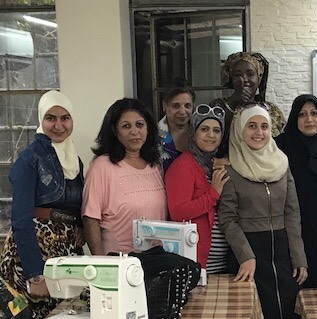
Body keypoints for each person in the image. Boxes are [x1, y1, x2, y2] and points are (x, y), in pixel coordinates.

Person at [218, 104, 307, 319]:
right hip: (250, 255)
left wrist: (298, 255)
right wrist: (246, 256)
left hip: (281, 250)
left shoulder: (282, 163)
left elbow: (292, 212)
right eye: (251, 126)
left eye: (264, 126)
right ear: (239, 131)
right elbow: (228, 219)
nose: (258, 132)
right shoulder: (230, 169)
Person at [0, 90, 84, 319]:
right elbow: (20, 220)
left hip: (64, 251)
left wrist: (80, 226)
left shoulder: (74, 160)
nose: (58, 125)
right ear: (41, 120)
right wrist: (34, 273)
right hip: (35, 253)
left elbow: (75, 204)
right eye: (50, 118)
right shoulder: (30, 159)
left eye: (65, 118)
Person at [82, 98, 167, 255]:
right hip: (118, 261)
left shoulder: (155, 165)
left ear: (148, 128)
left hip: (156, 260)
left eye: (139, 124)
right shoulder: (102, 166)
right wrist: (101, 262)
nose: (134, 131)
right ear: (115, 131)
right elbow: (90, 218)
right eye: (126, 126)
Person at [276, 94, 317, 288]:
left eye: (314, 113)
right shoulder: (279, 148)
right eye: (302, 114)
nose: (309, 119)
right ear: (294, 118)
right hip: (295, 233)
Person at [165, 105, 229, 271]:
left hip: (225, 262)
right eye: (204, 129)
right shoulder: (183, 166)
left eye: (216, 130)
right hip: (197, 262)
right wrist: (213, 194)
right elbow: (178, 212)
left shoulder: (217, 164)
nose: (211, 135)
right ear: (193, 133)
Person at [210, 52, 285, 158]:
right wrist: (233, 101)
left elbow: (279, 148)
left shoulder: (271, 110)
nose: (244, 79)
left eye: (250, 74)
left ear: (259, 78)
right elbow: (213, 140)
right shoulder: (217, 107)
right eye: (237, 75)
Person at [158, 83, 195, 172]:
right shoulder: (151, 135)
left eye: (187, 106)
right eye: (176, 106)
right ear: (164, 106)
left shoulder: (200, 133)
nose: (182, 112)